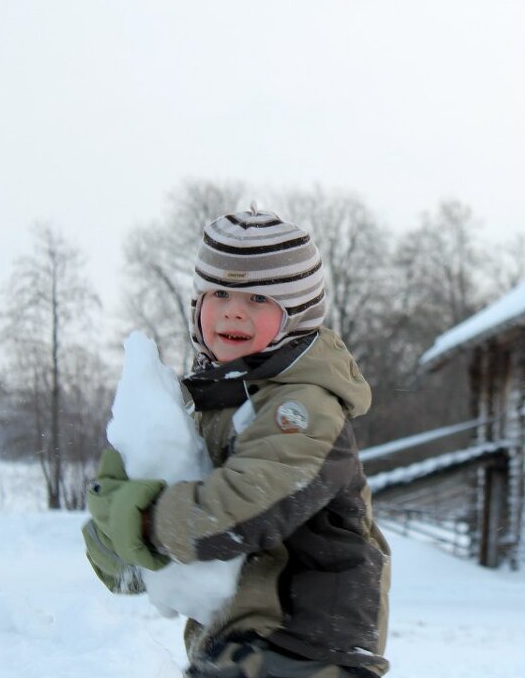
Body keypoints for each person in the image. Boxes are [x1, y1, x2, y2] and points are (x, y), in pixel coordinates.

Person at [83, 208, 390, 678]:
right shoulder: (212, 404)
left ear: (298, 314)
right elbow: (183, 503)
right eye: (220, 292)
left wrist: (147, 522)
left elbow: (247, 506)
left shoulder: (303, 406)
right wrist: (118, 541)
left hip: (306, 643)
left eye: (259, 298)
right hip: (237, 641)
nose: (233, 309)